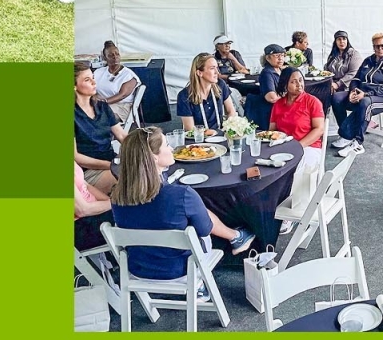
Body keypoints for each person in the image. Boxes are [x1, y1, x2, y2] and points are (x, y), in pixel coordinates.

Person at [109, 127, 256, 283]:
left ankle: (236, 237)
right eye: (166, 145)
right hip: (182, 270)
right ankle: (235, 239)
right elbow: (205, 229)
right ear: (154, 158)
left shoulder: (116, 197)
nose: (171, 148)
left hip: (139, 270)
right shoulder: (182, 194)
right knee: (194, 215)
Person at [270, 67, 327, 232]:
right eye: (293, 81)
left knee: (298, 165)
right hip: (284, 146)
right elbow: (272, 131)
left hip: (309, 146)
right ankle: (272, 206)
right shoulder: (279, 104)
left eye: (300, 80)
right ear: (285, 84)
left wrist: (298, 146)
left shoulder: (312, 101)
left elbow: (319, 130)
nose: (299, 84)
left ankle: (294, 212)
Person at [331, 32, 383, 158]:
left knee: (365, 103)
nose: (380, 49)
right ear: (373, 47)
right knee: (336, 98)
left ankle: (358, 143)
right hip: (362, 94)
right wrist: (353, 91)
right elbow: (356, 79)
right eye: (376, 46)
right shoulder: (368, 60)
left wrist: (365, 94)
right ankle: (347, 135)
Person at [74, 60, 127, 194]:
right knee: (130, 180)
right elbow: (76, 157)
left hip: (111, 162)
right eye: (87, 80)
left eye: (93, 77)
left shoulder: (102, 107)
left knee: (146, 171)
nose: (94, 82)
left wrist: (143, 149)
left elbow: (122, 136)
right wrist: (112, 165)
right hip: (88, 172)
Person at [176, 53, 237, 133]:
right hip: (199, 140)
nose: (217, 72)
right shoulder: (184, 96)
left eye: (217, 68)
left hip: (221, 135)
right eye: (212, 68)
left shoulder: (220, 85)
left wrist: (228, 127)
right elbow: (189, 129)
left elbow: (231, 111)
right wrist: (210, 133)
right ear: (199, 73)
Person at [96, 41, 140, 124]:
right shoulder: (98, 72)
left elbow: (122, 95)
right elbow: (91, 88)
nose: (115, 57)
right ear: (105, 58)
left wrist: (102, 102)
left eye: (117, 54)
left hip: (122, 106)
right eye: (111, 55)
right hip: (101, 105)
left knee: (100, 116)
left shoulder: (128, 75)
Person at [321, 31, 364, 113]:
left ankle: (344, 124)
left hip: (349, 86)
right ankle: (321, 121)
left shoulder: (354, 54)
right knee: (317, 93)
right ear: (335, 42)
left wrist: (338, 84)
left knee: (335, 97)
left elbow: (353, 73)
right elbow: (327, 70)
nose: (342, 42)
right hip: (333, 85)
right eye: (339, 39)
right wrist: (331, 83)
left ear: (347, 40)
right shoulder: (333, 55)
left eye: (344, 39)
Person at [246, 44, 285, 133]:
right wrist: (286, 93)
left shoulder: (280, 70)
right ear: (268, 58)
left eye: (282, 55)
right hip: (270, 112)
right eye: (276, 56)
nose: (280, 58)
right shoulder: (267, 73)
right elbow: (271, 98)